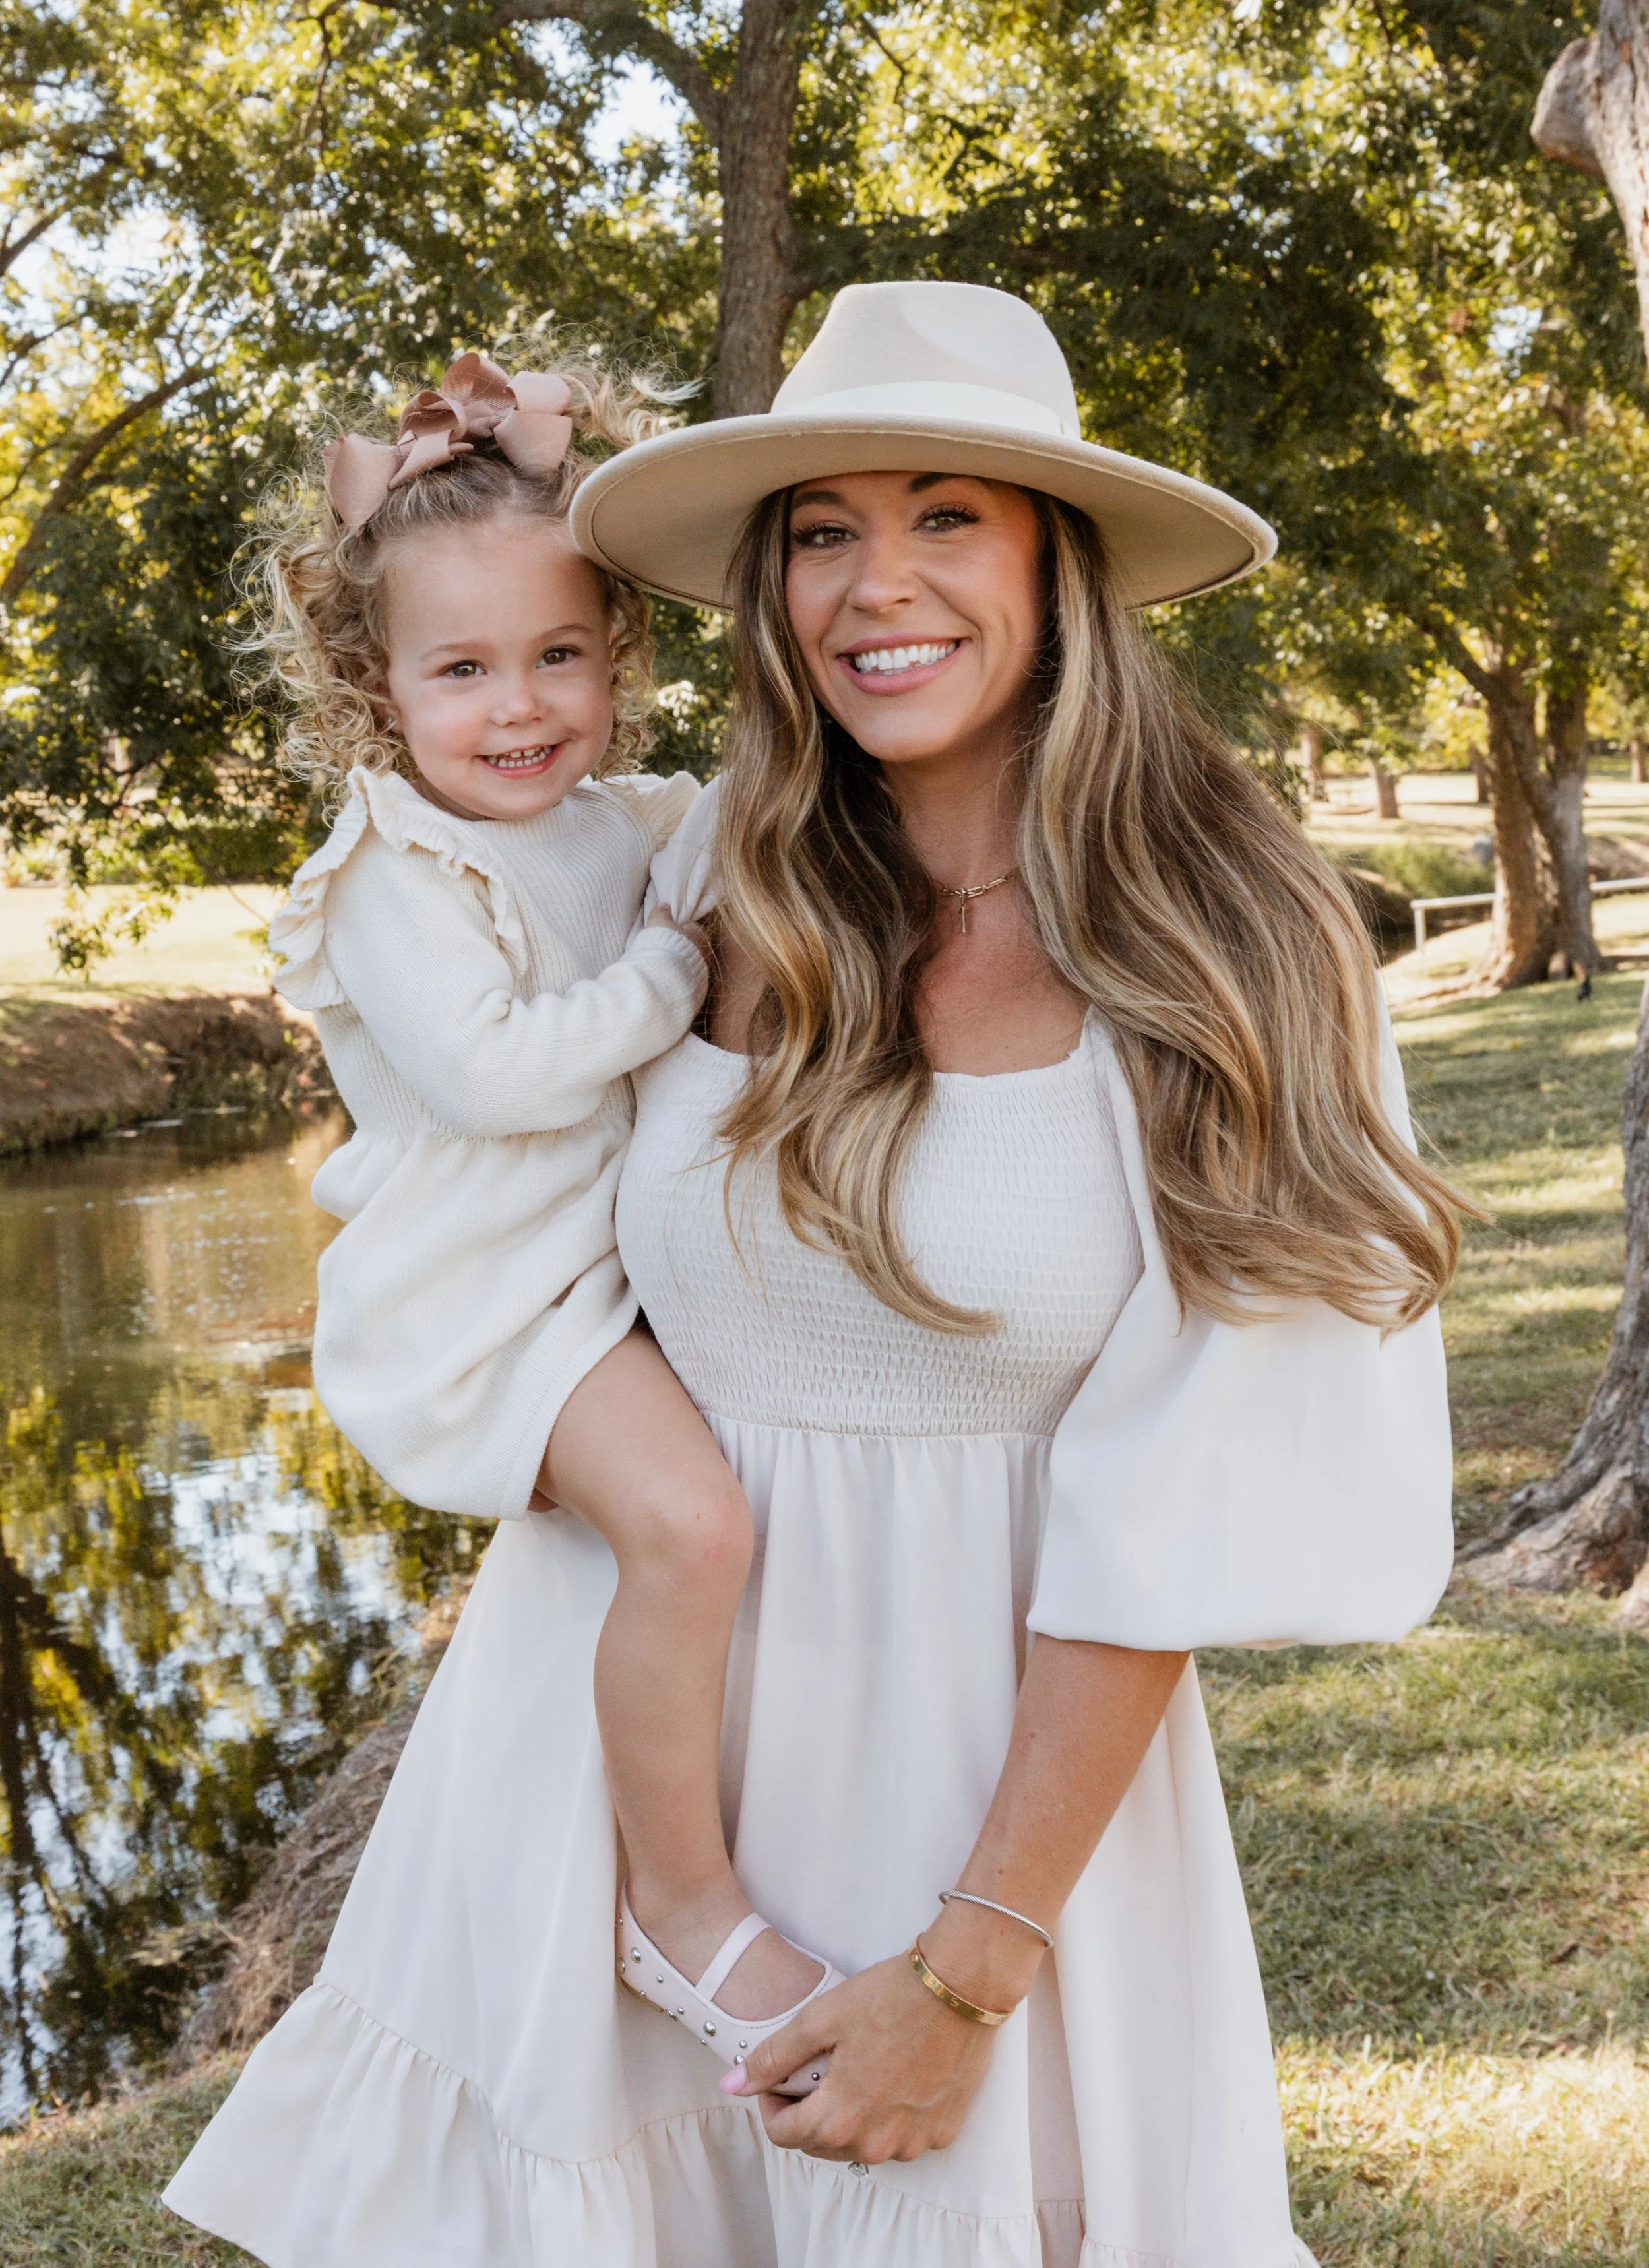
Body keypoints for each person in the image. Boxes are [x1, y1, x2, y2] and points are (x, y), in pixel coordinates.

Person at [166, 282, 1459, 2268]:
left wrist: (963, 1974)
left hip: (980, 1824)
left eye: (948, 515)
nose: (879, 583)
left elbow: (1179, 1511)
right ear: (769, 590)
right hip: (591, 1780)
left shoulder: (1232, 945)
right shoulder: (701, 877)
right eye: (825, 532)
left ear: (1063, 558)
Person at [251, 347, 843, 2095]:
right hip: (492, 1311)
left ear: (613, 657)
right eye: (462, 669)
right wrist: (672, 963)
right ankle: (676, 1898)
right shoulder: (390, 875)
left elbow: (742, 819)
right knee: (693, 1533)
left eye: (558, 656)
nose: (518, 706)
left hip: (611, 1280)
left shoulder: (614, 822)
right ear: (379, 684)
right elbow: (509, 1073)